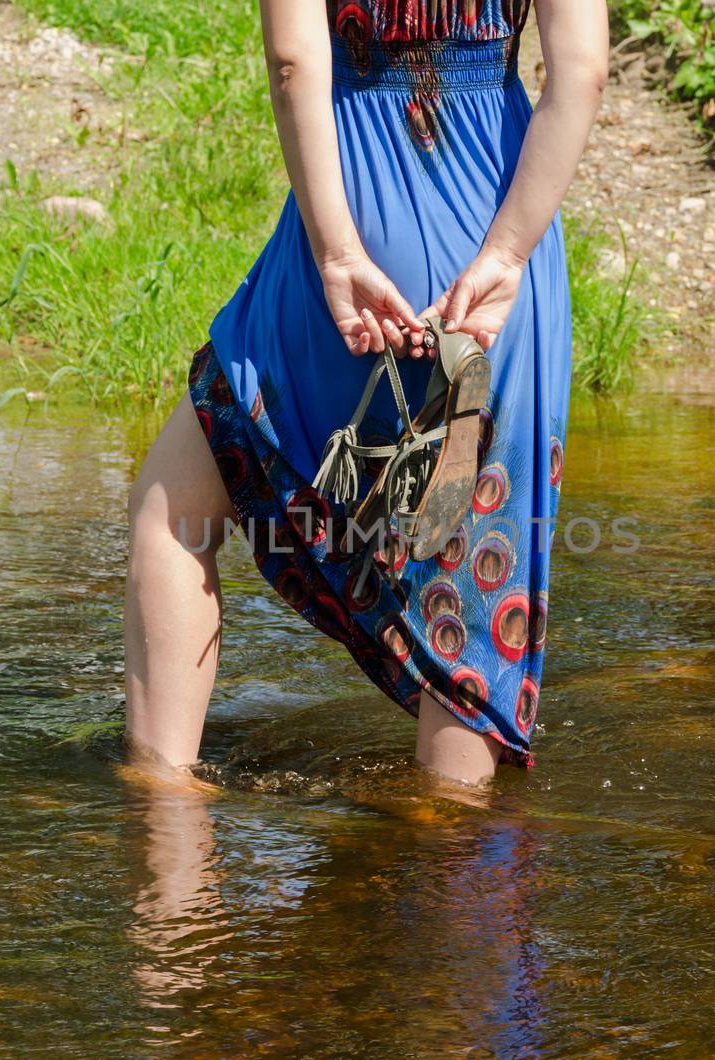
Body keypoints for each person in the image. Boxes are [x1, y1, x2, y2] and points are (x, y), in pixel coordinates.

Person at [124, 0, 607, 785]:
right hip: (491, 243)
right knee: (468, 586)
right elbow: (579, 74)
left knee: (172, 512)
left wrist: (337, 253)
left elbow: (293, 67)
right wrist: (509, 254)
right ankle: (456, 868)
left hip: (348, 233)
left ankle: (163, 822)